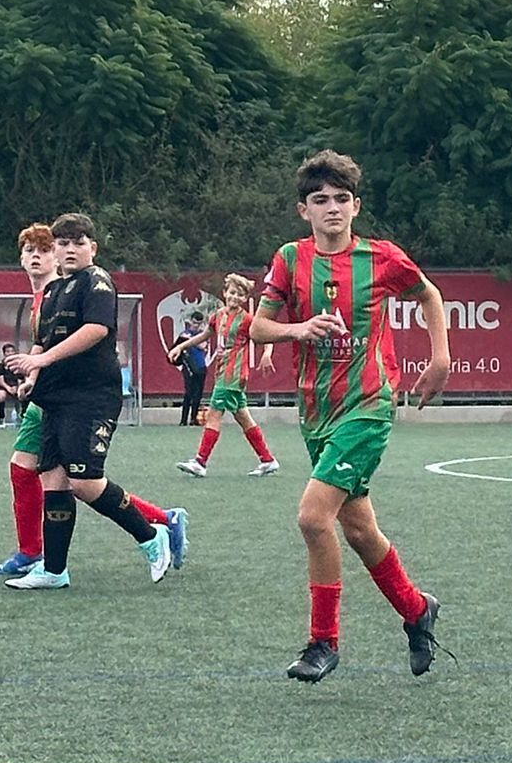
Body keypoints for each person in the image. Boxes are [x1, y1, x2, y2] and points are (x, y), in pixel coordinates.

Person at [250, 150, 451, 683]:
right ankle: (416, 609)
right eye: (321, 200)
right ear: (304, 210)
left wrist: (440, 357)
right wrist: (297, 329)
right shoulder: (290, 260)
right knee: (360, 530)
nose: (332, 208)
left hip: (367, 406)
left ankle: (323, 642)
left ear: (356, 206)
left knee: (313, 517)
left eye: (341, 199)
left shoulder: (381, 257)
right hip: (316, 411)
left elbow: (428, 293)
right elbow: (256, 328)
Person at [1, 214, 179, 590]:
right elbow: (43, 342)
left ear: (92, 248)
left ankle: (152, 536)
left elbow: (96, 330)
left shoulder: (97, 281)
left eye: (77, 242)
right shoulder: (51, 292)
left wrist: (42, 361)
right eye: (62, 243)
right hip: (55, 399)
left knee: (83, 481)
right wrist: (31, 373)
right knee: (53, 480)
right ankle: (54, 570)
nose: (68, 249)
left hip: (91, 397)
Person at [173, 275, 279, 478]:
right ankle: (267, 459)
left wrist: (266, 353)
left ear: (245, 297)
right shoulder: (219, 315)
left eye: (240, 294)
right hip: (223, 371)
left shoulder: (247, 319)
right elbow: (205, 335)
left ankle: (200, 461)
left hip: (234, 374)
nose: (235, 297)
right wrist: (181, 346)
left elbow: (266, 333)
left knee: (214, 414)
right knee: (243, 417)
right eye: (232, 293)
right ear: (224, 294)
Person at [171, 311, 209, 426]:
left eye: (198, 323)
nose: (196, 325)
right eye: (194, 322)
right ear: (190, 321)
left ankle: (194, 419)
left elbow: (203, 345)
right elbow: (176, 347)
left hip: (201, 367)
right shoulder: (184, 334)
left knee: (198, 394)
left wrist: (191, 341)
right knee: (188, 393)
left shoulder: (202, 335)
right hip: (188, 367)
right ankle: (183, 420)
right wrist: (186, 341)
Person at [0, 344, 27, 424]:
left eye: (12, 351)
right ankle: (1, 417)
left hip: (17, 386)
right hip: (5, 387)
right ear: (4, 353)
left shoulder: (19, 364)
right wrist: (8, 388)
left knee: (24, 393)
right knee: (0, 396)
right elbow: (1, 381)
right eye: (8, 351)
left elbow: (21, 379)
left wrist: (17, 387)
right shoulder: (0, 365)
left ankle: (23, 415)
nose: (10, 353)